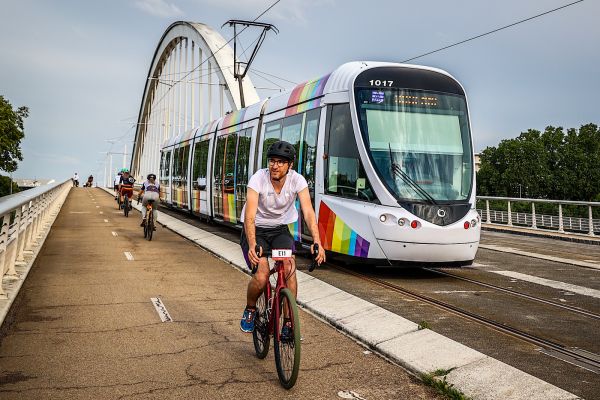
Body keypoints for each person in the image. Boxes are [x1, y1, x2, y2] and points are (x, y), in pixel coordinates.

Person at [239, 141, 325, 333]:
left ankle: (288, 322)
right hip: (256, 230)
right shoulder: (258, 179)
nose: (275, 166)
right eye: (272, 161)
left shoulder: (298, 180)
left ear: (290, 165)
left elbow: (308, 212)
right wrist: (252, 244)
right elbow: (250, 216)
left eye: (280, 162)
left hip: (279, 230)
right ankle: (251, 308)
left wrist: (317, 241)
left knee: (289, 269)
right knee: (261, 277)